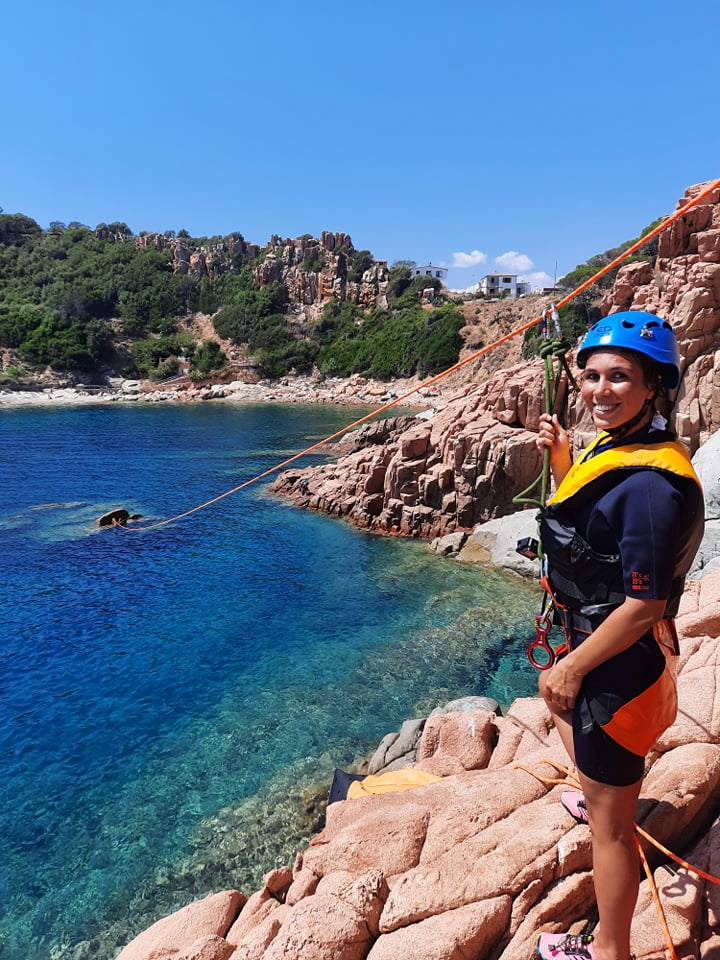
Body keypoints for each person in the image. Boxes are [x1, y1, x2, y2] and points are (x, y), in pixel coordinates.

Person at [532, 311, 705, 960]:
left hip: (618, 668)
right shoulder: (624, 447)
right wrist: (561, 460)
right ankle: (601, 794)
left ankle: (609, 950)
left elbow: (644, 603)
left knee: (611, 835)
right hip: (612, 654)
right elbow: (592, 523)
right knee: (559, 709)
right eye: (592, 376)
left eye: (620, 377)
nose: (599, 390)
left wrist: (573, 668)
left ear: (653, 385)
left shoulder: (652, 486)